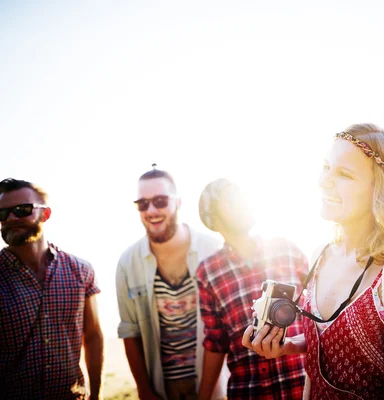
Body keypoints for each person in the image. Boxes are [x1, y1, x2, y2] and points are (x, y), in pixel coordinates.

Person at [243, 123, 384, 399]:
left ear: (379, 191)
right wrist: (289, 345)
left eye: (344, 174)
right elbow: (333, 339)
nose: (324, 181)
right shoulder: (320, 256)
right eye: (326, 167)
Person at [115, 166, 227, 400]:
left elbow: (227, 327)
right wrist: (144, 390)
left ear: (178, 202)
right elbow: (130, 331)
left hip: (214, 383)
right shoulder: (128, 263)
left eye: (160, 201)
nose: (151, 210)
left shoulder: (213, 250)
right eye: (142, 204)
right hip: (161, 388)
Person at [195, 179, 307, 400]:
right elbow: (216, 343)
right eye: (231, 200)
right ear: (214, 219)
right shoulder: (207, 272)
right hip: (249, 392)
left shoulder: (287, 250)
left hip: (302, 389)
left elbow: (320, 316)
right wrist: (203, 397)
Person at [0, 178, 104, 399]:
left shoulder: (80, 270)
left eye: (22, 210)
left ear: (45, 214)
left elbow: (93, 335)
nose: (10, 219)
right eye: (3, 213)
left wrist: (95, 395)